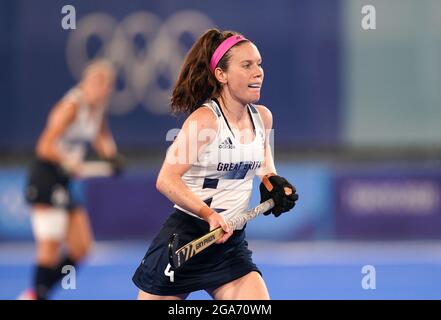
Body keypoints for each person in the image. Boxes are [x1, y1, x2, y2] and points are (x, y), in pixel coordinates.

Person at [132, 29, 299, 300]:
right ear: (221, 75)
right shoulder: (204, 122)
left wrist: (273, 182)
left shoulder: (263, 118)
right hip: (187, 240)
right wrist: (209, 215)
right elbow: (166, 179)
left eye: (259, 64)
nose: (258, 72)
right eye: (246, 65)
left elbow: (264, 162)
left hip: (229, 245)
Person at [19, 59, 123, 300]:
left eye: (107, 85)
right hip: (46, 178)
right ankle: (36, 295)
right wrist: (68, 161)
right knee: (49, 249)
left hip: (65, 181)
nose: (104, 90)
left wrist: (112, 156)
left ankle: (37, 293)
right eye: (100, 84)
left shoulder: (96, 108)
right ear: (88, 82)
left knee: (82, 247)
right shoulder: (70, 106)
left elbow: (101, 135)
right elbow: (44, 146)